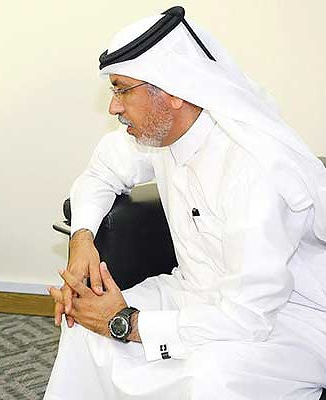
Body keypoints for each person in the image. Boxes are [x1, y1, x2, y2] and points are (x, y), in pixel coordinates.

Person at [45, 6, 326, 400]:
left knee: (211, 376)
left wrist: (127, 322)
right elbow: (99, 173)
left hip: (286, 322)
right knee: (85, 327)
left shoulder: (254, 168)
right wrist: (81, 240)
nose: (113, 108)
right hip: (192, 294)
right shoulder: (160, 137)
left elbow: (248, 315)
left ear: (173, 91)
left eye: (123, 90)